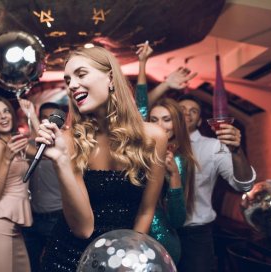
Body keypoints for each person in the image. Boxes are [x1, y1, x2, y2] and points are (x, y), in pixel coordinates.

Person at [35, 46, 168, 271]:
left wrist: (128, 256)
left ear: (110, 78)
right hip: (68, 258)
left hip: (122, 257)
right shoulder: (69, 141)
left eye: (81, 74)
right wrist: (61, 162)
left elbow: (146, 210)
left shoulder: (154, 137)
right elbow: (83, 229)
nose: (72, 85)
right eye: (68, 80)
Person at [176, 94, 255, 272]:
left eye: (193, 111)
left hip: (196, 235)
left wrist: (236, 151)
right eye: (182, 109)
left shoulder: (212, 146)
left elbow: (243, 185)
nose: (187, 113)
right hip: (162, 232)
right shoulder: (158, 143)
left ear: (199, 121)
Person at [136, 42, 197, 263]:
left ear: (177, 124)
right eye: (153, 120)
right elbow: (140, 105)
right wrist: (142, 63)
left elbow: (177, 219)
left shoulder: (180, 159)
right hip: (130, 235)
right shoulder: (141, 147)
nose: (160, 126)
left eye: (166, 119)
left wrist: (174, 177)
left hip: (161, 243)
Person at [0, 96, 37, 272]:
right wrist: (6, 160)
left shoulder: (16, 143)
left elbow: (43, 153)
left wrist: (32, 116)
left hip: (13, 226)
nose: (3, 116)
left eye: (5, 111)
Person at [22, 102, 64, 272]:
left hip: (56, 217)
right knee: (32, 265)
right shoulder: (31, 144)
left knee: (55, 264)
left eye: (52, 119)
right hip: (32, 217)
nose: (48, 123)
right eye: (44, 118)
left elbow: (46, 155)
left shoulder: (62, 146)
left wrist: (32, 115)